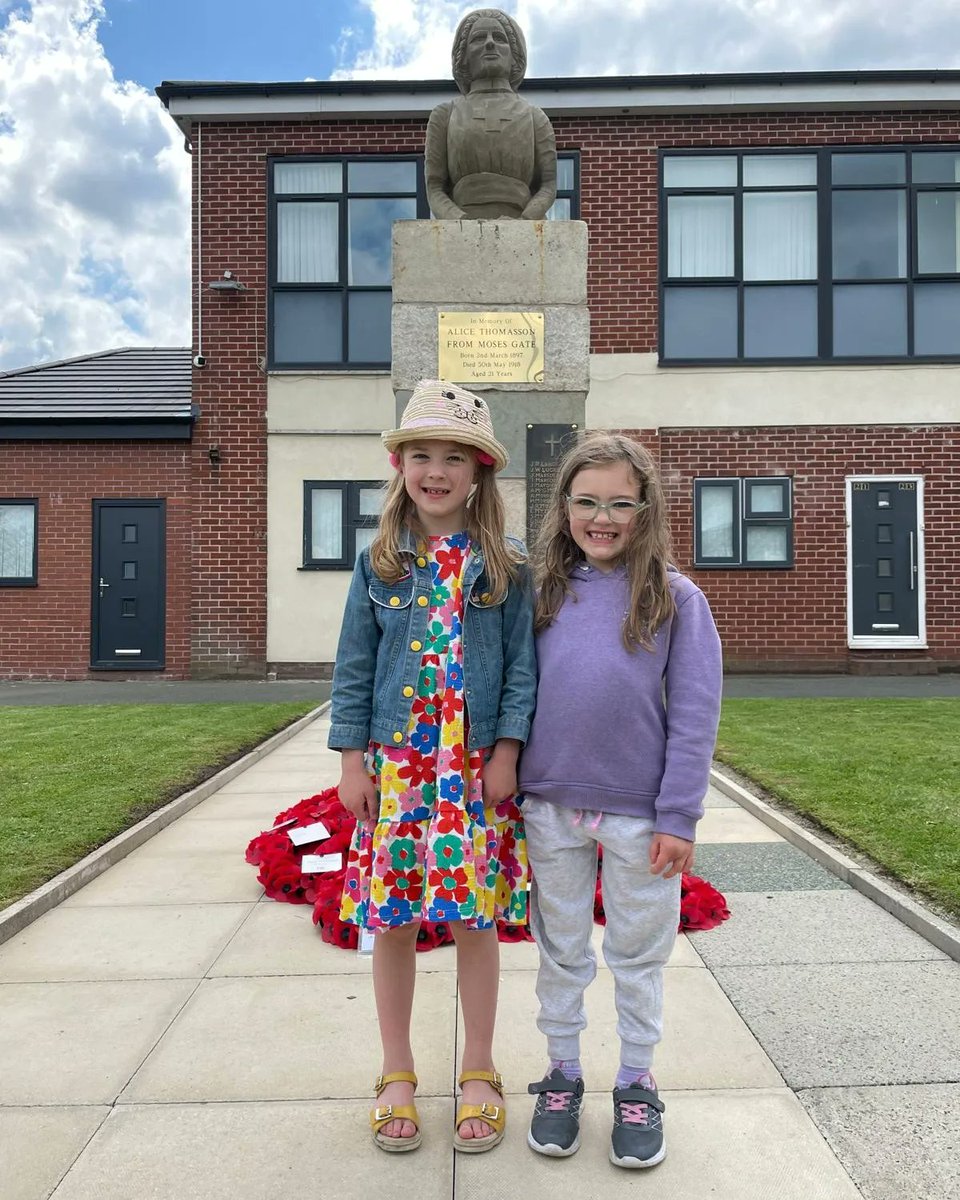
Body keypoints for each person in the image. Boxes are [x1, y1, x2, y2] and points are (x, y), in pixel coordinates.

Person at [329, 380, 536, 1155]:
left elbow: (521, 670)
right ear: (401, 464)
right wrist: (353, 760)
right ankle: (396, 1071)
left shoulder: (504, 566)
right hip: (399, 767)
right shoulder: (379, 566)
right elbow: (354, 666)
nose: (436, 470)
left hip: (471, 772)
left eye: (454, 456)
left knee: (472, 917)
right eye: (422, 454)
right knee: (396, 919)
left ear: (480, 471)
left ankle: (479, 1069)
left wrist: (507, 751)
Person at [518, 431, 722, 1169]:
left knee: (638, 953)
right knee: (561, 946)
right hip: (548, 805)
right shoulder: (538, 589)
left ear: (646, 510)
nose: (601, 518)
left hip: (639, 815)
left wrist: (679, 815)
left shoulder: (676, 597)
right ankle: (563, 1072)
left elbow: (696, 711)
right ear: (564, 506)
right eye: (586, 502)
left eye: (619, 504)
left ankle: (636, 1079)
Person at [425, 8, 557, 219]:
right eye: (478, 38)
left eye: (499, 38)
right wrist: (461, 221)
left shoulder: (535, 117)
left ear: (514, 56)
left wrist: (525, 221)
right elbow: (434, 186)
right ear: (464, 56)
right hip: (459, 228)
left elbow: (548, 184)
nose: (489, 43)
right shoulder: (444, 115)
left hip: (523, 230)